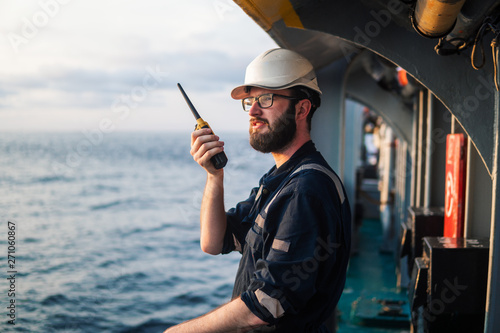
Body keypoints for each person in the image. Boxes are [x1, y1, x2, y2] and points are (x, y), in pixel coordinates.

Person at [165, 48, 351, 333]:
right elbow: (214, 242)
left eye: (266, 99)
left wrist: (179, 331)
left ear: (302, 109)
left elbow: (267, 304)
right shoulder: (280, 181)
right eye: (250, 101)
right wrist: (215, 177)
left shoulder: (306, 190)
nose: (252, 110)